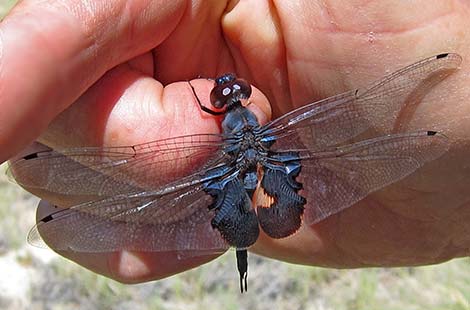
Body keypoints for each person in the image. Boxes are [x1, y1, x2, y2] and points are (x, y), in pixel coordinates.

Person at [1, 0, 469, 284]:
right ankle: (240, 231)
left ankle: (240, 237)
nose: (232, 93)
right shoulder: (241, 121)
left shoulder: (225, 118)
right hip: (255, 174)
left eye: (233, 91)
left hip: (244, 176)